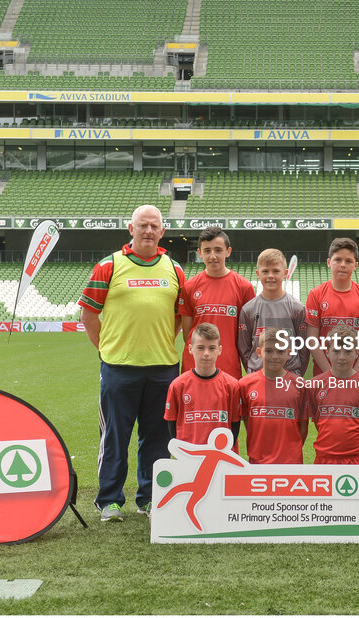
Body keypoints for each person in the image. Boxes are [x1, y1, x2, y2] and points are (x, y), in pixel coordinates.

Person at [78, 204, 186, 523]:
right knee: (115, 436)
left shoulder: (174, 269)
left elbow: (179, 318)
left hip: (163, 368)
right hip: (118, 369)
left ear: (162, 231)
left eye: (154, 226)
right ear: (131, 228)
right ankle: (109, 500)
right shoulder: (108, 266)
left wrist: (161, 341)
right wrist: (107, 349)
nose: (149, 231)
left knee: (157, 438)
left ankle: (151, 498)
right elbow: (88, 314)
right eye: (143, 225)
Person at [178, 226, 255, 378]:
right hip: (194, 368)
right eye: (207, 250)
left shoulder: (244, 287)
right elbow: (188, 334)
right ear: (199, 253)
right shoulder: (189, 287)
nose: (213, 256)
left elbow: (248, 334)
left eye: (218, 250)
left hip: (228, 369)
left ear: (228, 251)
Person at [307, 324, 359, 465]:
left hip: (356, 459)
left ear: (357, 352)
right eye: (336, 351)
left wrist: (358, 446)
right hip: (323, 458)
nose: (342, 357)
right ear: (327, 352)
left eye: (347, 351)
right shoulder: (315, 384)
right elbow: (319, 421)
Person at [164, 322, 242, 450]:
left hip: (223, 458)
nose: (206, 353)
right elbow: (171, 424)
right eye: (200, 348)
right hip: (188, 458)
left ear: (219, 350)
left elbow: (235, 425)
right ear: (190, 349)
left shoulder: (231, 386)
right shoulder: (178, 385)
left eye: (212, 348)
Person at [305, 238, 359, 374]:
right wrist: (329, 373)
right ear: (328, 262)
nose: (343, 265)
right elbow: (312, 339)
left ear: (355, 265)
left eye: (348, 261)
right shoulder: (316, 294)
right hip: (324, 375)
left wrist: (355, 373)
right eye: (338, 260)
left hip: (357, 374)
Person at [237, 328, 307, 464]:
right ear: (259, 352)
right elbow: (247, 420)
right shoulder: (245, 384)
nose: (274, 356)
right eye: (268, 351)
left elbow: (303, 427)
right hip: (257, 462)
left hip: (291, 463)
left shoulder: (299, 385)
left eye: (280, 351)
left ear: (289, 353)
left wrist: (292, 452)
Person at [238, 248, 309, 376]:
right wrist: (255, 370)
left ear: (285, 273)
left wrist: (296, 374)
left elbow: (303, 347)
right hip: (258, 376)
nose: (270, 275)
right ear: (258, 273)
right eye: (265, 271)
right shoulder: (248, 309)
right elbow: (244, 348)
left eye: (276, 271)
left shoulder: (297, 308)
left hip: (289, 376)